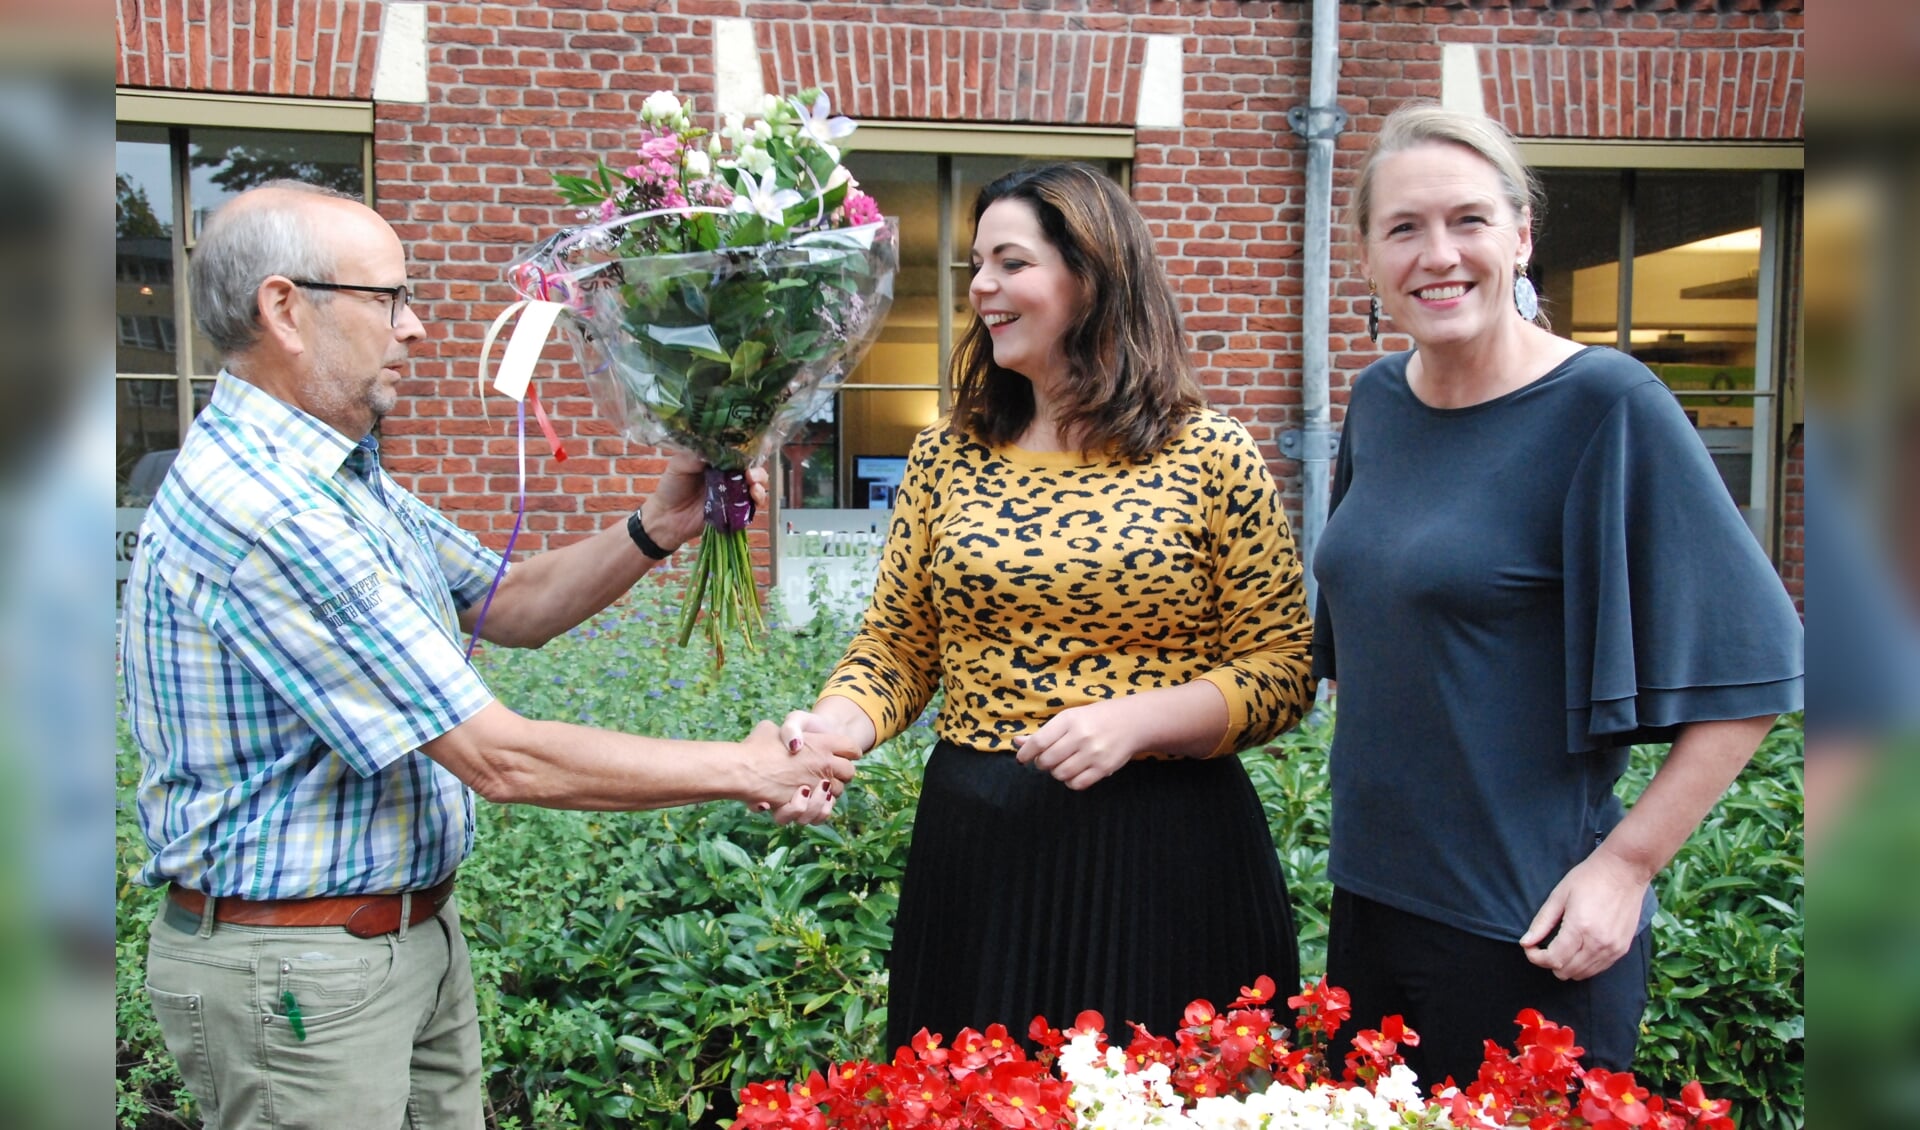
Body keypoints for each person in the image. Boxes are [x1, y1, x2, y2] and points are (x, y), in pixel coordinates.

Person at [119, 181, 860, 1130]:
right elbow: (496, 756)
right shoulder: (268, 509)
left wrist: (658, 525)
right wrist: (748, 768)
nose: (416, 327)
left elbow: (507, 603)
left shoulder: (341, 479)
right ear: (285, 309)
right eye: (389, 299)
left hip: (399, 939)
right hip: (302, 977)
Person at [1310, 102, 1804, 1088]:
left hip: (1528, 934)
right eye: (1403, 228)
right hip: (1370, 910)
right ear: (1366, 255)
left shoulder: (1606, 405)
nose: (1437, 254)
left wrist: (1626, 867)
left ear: (1522, 234)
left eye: (1469, 220)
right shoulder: (1377, 401)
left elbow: (1761, 668)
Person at [778, 162, 1316, 1052]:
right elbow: (899, 647)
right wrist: (833, 730)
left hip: (1167, 853)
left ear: (1092, 277)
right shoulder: (949, 453)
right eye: (978, 263)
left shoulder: (1210, 452)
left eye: (1011, 262)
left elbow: (1283, 669)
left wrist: (1138, 721)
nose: (983, 287)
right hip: (983, 846)